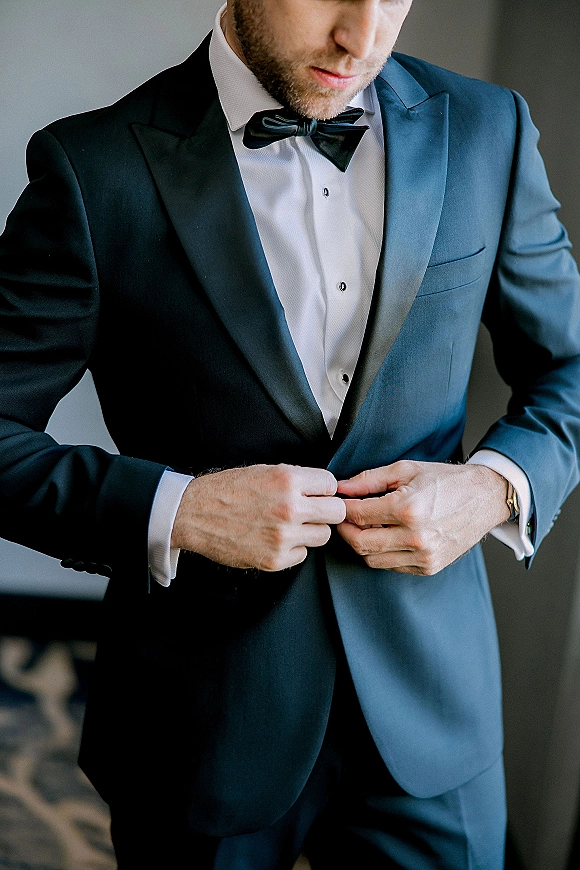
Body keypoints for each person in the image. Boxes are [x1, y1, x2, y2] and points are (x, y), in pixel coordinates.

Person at [1, 0, 580, 866]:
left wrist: (494, 486)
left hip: (434, 708)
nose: (364, 36)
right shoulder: (93, 169)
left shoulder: (489, 130)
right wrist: (179, 511)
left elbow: (568, 367)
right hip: (199, 720)